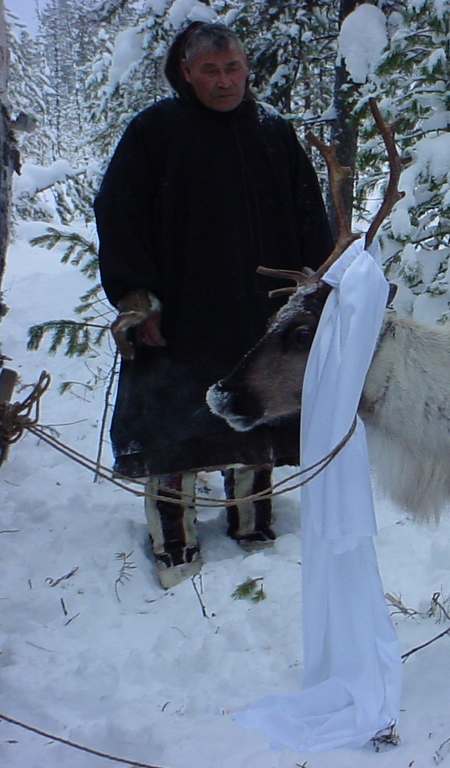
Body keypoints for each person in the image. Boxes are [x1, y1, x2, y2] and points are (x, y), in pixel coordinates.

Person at [94, 21, 334, 588]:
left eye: (233, 69)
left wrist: (318, 287)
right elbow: (119, 214)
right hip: (179, 313)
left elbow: (308, 213)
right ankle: (173, 540)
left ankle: (253, 527)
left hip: (260, 312)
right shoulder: (155, 131)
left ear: (246, 69)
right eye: (210, 71)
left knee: (257, 412)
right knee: (173, 423)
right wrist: (137, 299)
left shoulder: (272, 130)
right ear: (186, 72)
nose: (224, 82)